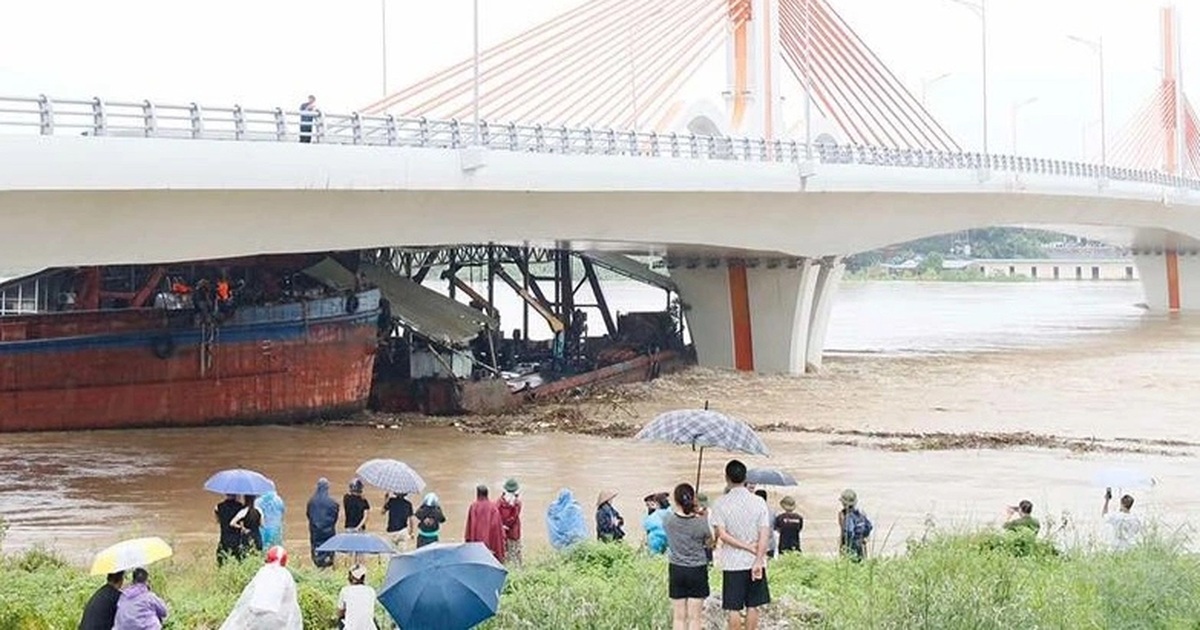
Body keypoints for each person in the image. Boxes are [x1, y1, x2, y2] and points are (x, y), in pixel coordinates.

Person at [711, 460, 771, 630]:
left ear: (726, 478)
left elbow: (722, 535)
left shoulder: (720, 503)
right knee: (753, 605)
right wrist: (758, 558)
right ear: (745, 478)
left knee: (733, 608)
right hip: (755, 561)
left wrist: (744, 546)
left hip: (732, 563)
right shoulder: (759, 502)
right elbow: (764, 533)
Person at [664, 483, 712, 630]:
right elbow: (710, 543)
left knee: (678, 617)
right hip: (697, 570)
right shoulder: (701, 522)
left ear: (676, 500)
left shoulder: (668, 520)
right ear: (693, 499)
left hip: (677, 569)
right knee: (695, 618)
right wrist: (702, 517)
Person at [219, 546, 303, 630]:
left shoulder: (262, 572)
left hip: (256, 618)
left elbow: (247, 597)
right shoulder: (286, 576)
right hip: (278, 621)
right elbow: (291, 604)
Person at [465, 484, 507, 562]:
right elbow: (497, 528)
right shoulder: (493, 507)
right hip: (491, 544)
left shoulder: (473, 506)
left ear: (477, 494)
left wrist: (468, 542)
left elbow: (469, 527)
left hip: (476, 544)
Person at [306, 478, 340, 567]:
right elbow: (336, 517)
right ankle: (328, 564)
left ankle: (318, 565)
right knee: (329, 549)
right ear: (327, 488)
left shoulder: (311, 501)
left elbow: (308, 515)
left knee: (316, 550)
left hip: (315, 532)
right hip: (329, 532)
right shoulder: (333, 502)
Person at [337, 564, 379, 630]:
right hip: (370, 628)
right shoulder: (371, 590)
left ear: (351, 577)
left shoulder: (345, 590)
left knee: (340, 620)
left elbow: (340, 612)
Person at [838, 489, 873, 561]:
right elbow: (869, 526)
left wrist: (845, 546)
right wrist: (863, 537)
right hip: (861, 545)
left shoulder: (848, 517)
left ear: (843, 503)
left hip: (852, 547)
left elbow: (849, 532)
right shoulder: (860, 514)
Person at [497, 478, 524, 565]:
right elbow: (514, 517)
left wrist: (502, 526)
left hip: (501, 532)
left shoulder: (498, 502)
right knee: (515, 553)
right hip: (513, 532)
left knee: (504, 553)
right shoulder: (517, 503)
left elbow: (496, 516)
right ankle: (517, 569)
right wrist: (507, 526)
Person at [215, 493, 245, 564]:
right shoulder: (240, 507)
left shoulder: (218, 506)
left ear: (226, 494)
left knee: (222, 560)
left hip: (224, 538)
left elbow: (218, 520)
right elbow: (243, 522)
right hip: (236, 539)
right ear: (236, 495)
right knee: (238, 561)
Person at [754, 489, 777, 559]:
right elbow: (775, 527)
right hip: (770, 544)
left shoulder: (753, 511)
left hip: (756, 544)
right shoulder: (772, 511)